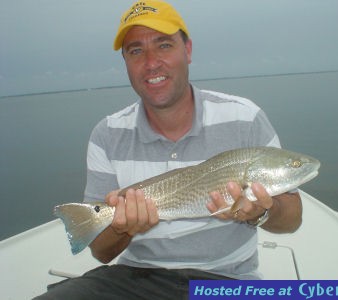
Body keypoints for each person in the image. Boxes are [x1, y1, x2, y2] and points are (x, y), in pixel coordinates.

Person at [35, 0, 302, 299]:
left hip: (227, 280)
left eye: (164, 45)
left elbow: (292, 218)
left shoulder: (245, 118)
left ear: (187, 51)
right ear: (125, 62)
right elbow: (101, 252)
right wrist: (126, 227)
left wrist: (258, 212)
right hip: (134, 278)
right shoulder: (106, 134)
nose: (151, 62)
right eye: (136, 50)